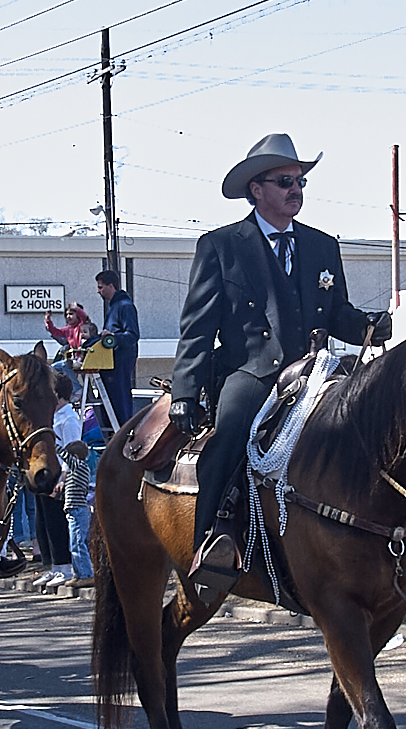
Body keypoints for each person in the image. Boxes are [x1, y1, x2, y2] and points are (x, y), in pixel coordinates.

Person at [168, 133, 390, 603]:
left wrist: (376, 324)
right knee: (229, 435)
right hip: (252, 373)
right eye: (285, 181)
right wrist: (186, 392)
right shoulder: (221, 246)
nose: (297, 189)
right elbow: (197, 326)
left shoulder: (322, 245)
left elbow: (339, 315)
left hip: (317, 374)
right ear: (257, 189)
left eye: (301, 181)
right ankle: (210, 546)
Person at [51, 372, 93, 589]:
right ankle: (79, 572)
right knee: (75, 541)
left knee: (78, 542)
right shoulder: (79, 466)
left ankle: (85, 573)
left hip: (77, 509)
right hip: (73, 508)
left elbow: (65, 454)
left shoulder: (78, 465)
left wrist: (50, 440)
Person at [94, 268, 139, 424]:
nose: (98, 291)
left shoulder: (125, 306)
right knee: (110, 400)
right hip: (110, 361)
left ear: (111, 286)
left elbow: (133, 335)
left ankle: (123, 432)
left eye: (101, 287)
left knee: (120, 399)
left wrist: (113, 337)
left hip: (121, 360)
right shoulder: (113, 306)